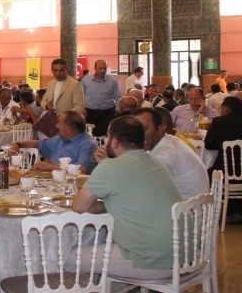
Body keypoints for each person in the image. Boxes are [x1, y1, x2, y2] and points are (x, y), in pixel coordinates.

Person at [72, 115, 182, 280]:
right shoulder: (156, 163)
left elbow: (79, 207)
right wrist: (110, 203)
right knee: (107, 248)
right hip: (182, 254)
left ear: (114, 142)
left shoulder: (110, 167)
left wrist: (105, 166)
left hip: (153, 261)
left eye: (108, 137)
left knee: (68, 257)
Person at [132, 108, 209, 199]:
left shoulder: (165, 155)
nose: (136, 134)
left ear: (161, 128)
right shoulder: (169, 140)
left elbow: (142, 188)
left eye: (143, 129)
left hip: (185, 206)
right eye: (134, 129)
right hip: (191, 203)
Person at [10, 111, 98, 173]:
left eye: (59, 123)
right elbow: (37, 143)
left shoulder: (88, 145)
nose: (56, 126)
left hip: (73, 187)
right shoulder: (59, 139)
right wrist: (18, 144)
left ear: (69, 129)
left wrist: (48, 166)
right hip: (52, 183)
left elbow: (82, 170)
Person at [82, 59, 121, 126]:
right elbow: (81, 95)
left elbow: (117, 97)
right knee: (91, 131)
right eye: (100, 68)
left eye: (104, 68)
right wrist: (82, 108)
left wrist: (118, 111)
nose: (103, 71)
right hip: (90, 113)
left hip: (108, 113)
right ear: (95, 68)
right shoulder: (86, 80)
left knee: (106, 131)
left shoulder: (113, 81)